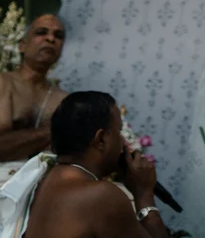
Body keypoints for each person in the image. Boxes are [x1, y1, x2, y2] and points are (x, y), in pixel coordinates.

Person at [16, 91, 165, 238]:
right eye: (119, 131)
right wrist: (144, 194)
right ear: (101, 140)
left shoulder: (46, 179)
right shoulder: (101, 196)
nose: (123, 143)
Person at [0, 14, 70, 223]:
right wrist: (54, 130)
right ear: (22, 45)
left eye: (58, 36)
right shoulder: (0, 84)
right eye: (41, 32)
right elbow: (0, 146)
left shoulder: (62, 98)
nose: (50, 39)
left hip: (43, 188)